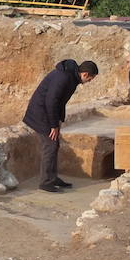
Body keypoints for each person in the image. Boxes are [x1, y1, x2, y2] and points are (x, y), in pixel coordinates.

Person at [22, 59, 98, 193]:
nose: (90, 82)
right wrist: (53, 125)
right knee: (50, 145)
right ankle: (46, 182)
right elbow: (51, 100)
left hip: (47, 114)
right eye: (91, 79)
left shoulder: (71, 77)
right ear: (85, 74)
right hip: (41, 113)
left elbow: (60, 101)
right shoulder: (64, 77)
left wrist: (59, 120)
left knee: (54, 144)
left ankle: (52, 177)